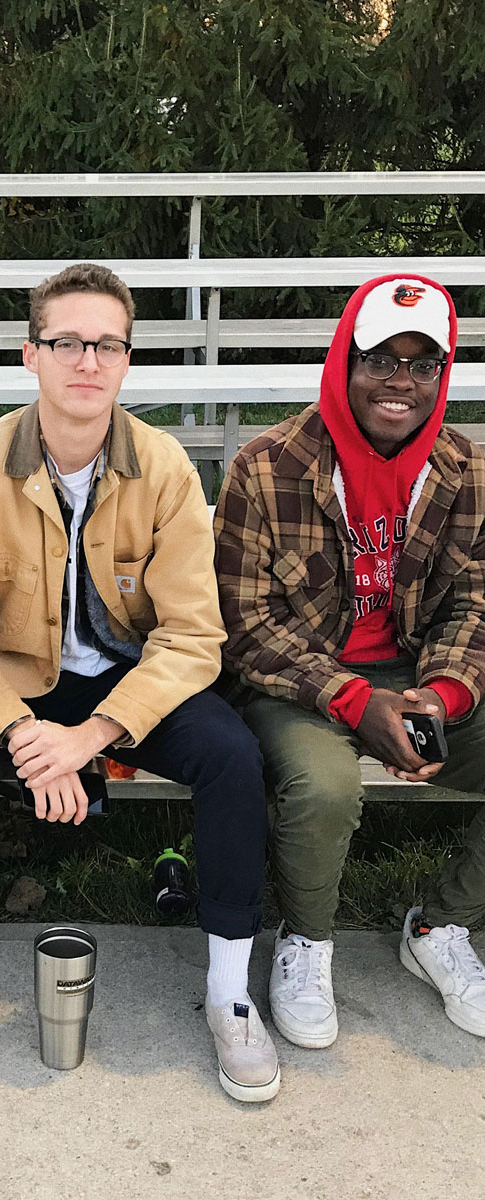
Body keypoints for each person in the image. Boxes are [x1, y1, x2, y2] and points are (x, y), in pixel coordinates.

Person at [0, 263, 279, 1102]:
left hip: (125, 685)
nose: (87, 359)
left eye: (106, 343)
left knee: (231, 756)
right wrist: (19, 732)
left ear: (126, 360)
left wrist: (91, 737)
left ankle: (230, 992)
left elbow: (192, 637)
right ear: (30, 355)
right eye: (66, 341)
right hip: (6, 684)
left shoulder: (165, 469)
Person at [214, 273, 485, 1049]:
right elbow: (246, 627)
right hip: (296, 682)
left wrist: (441, 697)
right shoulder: (266, 467)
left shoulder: (467, 472)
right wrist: (354, 701)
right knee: (325, 787)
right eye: (380, 359)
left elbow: (474, 605)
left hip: (416, 676)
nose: (400, 382)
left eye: (422, 363)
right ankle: (306, 941)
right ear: (344, 360)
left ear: (443, 373)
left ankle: (440, 925)